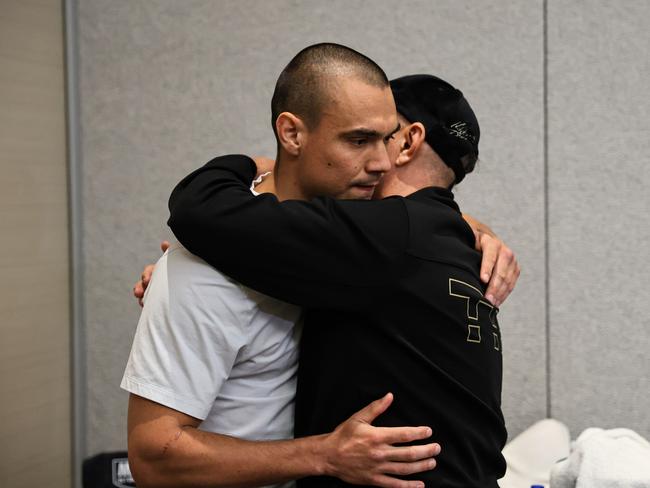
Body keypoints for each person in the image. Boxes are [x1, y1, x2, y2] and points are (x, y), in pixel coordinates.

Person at [128, 44, 519, 488]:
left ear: (408, 140)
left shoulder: (379, 242)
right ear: (293, 134)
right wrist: (323, 455)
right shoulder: (207, 269)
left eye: (384, 138)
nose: (380, 162)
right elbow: (153, 460)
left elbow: (201, 207)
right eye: (358, 140)